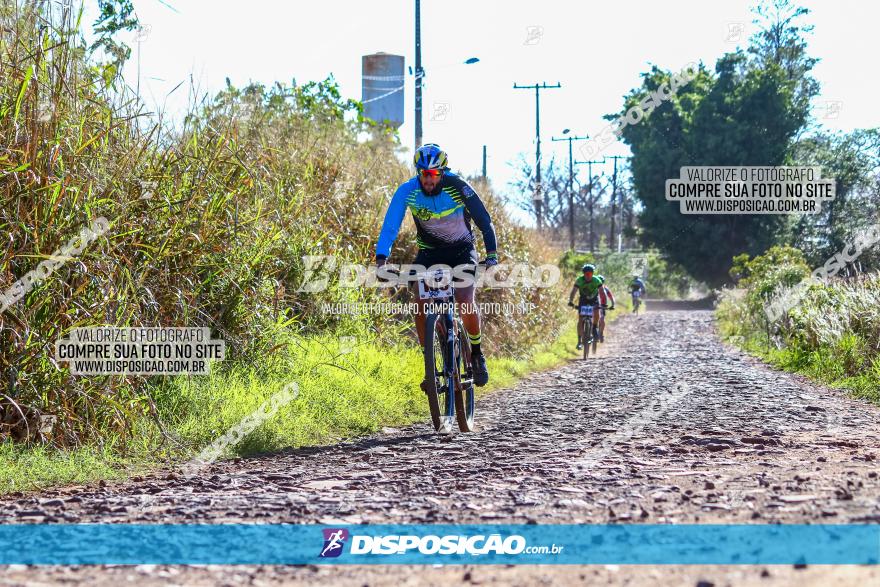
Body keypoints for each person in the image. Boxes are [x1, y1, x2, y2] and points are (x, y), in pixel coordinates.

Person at [375, 143, 497, 387]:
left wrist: (491, 252)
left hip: (462, 251)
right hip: (430, 254)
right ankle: (429, 365)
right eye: (423, 174)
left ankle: (476, 352)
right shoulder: (408, 190)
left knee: (464, 300)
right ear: (417, 173)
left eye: (433, 174)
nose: (428, 180)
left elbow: (484, 219)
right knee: (420, 306)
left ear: (442, 172)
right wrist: (381, 258)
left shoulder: (458, 185)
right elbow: (391, 224)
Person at [567, 264, 610, 350]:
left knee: (597, 312)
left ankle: (594, 327)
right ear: (583, 274)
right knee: (580, 319)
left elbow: (602, 292)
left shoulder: (597, 280)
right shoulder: (579, 280)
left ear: (592, 273)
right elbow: (573, 291)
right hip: (583, 299)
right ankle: (579, 341)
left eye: (590, 274)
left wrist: (604, 303)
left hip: (594, 299)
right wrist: (571, 301)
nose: (588, 276)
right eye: (586, 274)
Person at [595, 274, 615, 342]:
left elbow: (611, 297)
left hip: (602, 305)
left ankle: (600, 333)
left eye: (601, 282)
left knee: (602, 319)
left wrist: (613, 305)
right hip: (594, 304)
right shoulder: (593, 287)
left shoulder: (605, 289)